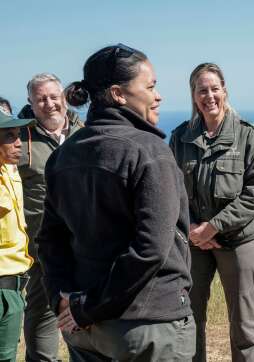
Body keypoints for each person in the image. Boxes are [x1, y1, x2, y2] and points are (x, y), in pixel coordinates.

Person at [35, 43, 195, 361]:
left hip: (85, 332)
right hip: (145, 327)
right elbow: (149, 250)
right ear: (118, 94)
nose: (158, 95)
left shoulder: (62, 155)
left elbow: (49, 242)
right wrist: (86, 308)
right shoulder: (149, 151)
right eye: (150, 86)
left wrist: (63, 300)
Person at [170, 63, 254, 362]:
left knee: (243, 325)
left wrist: (212, 227)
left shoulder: (248, 135)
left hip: (239, 240)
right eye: (202, 90)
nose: (209, 96)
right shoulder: (181, 137)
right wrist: (191, 230)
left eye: (214, 89)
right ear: (193, 95)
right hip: (194, 242)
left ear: (224, 91)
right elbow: (171, 190)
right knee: (188, 318)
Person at [16, 73, 84, 362]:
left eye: (54, 96)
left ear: (64, 98)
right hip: (42, 250)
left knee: (84, 319)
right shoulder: (19, 141)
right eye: (41, 98)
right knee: (42, 318)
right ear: (31, 104)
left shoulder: (87, 132)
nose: (49, 103)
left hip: (85, 247)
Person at [0, 110, 35, 362]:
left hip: (13, 288)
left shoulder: (9, 172)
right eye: (9, 136)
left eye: (19, 134)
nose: (18, 142)